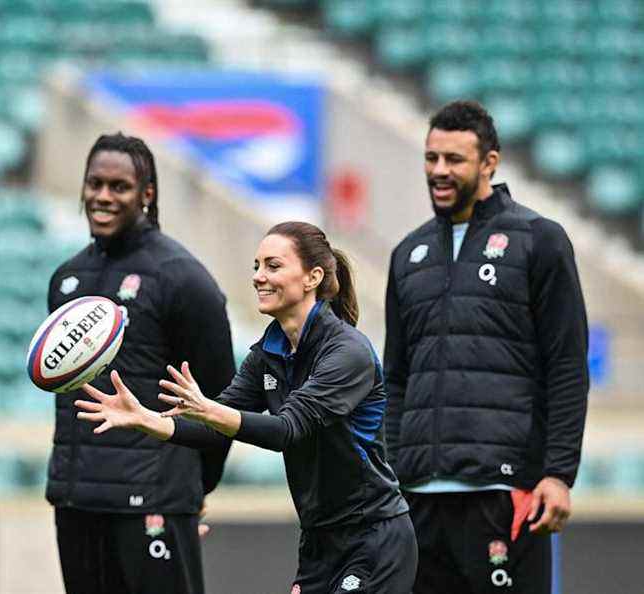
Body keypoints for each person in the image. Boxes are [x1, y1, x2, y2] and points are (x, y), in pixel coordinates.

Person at [76, 221, 418, 594]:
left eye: (273, 266)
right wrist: (147, 420)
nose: (258, 277)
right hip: (319, 543)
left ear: (312, 277)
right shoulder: (266, 354)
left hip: (373, 538)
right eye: (256, 266)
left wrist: (211, 411)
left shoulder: (347, 352)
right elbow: (215, 426)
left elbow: (287, 429)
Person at [383, 100, 589, 594]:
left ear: (489, 163)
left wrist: (558, 474)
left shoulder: (540, 240)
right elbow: (395, 378)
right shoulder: (407, 254)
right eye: (431, 159)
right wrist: (391, 473)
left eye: (454, 159)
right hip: (418, 502)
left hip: (504, 495)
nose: (439, 171)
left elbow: (566, 365)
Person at [45, 132, 236, 594]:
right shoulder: (67, 279)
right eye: (95, 184)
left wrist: (190, 490)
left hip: (152, 501)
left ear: (146, 194)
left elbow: (220, 397)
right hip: (77, 501)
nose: (103, 197)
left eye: (119, 186)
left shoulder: (183, 278)